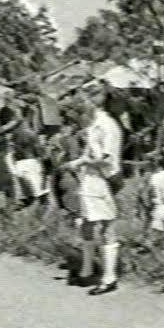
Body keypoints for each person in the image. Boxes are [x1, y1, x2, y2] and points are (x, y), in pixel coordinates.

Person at [63, 96, 124, 296]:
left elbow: (106, 159)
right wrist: (78, 162)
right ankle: (87, 269)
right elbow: (92, 154)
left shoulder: (107, 126)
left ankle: (109, 278)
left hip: (101, 181)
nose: (79, 110)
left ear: (94, 103)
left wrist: (81, 163)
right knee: (87, 224)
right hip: (89, 181)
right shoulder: (94, 125)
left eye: (82, 104)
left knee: (107, 227)